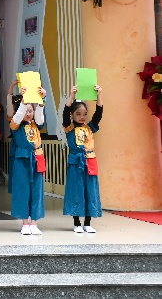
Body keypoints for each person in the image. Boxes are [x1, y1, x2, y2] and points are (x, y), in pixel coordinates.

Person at [63, 84, 103, 233]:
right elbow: (65, 113)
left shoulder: (89, 127)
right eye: (78, 114)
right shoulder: (69, 127)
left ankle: (87, 222)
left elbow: (98, 114)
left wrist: (99, 95)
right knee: (76, 190)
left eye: (85, 114)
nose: (82, 116)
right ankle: (76, 223)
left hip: (90, 161)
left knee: (90, 191)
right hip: (76, 162)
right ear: (72, 115)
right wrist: (72, 96)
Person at [10, 86, 47, 235]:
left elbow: (40, 117)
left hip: (37, 158)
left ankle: (34, 223)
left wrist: (41, 101)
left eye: (30, 111)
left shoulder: (36, 124)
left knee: (37, 191)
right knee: (22, 190)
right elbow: (18, 116)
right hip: (22, 158)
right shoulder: (15, 125)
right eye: (25, 111)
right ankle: (25, 223)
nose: (28, 113)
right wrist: (24, 102)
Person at [5, 80, 23, 194]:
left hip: (29, 151)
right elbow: (9, 105)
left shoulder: (31, 120)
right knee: (16, 172)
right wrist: (11, 88)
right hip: (16, 149)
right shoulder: (13, 119)